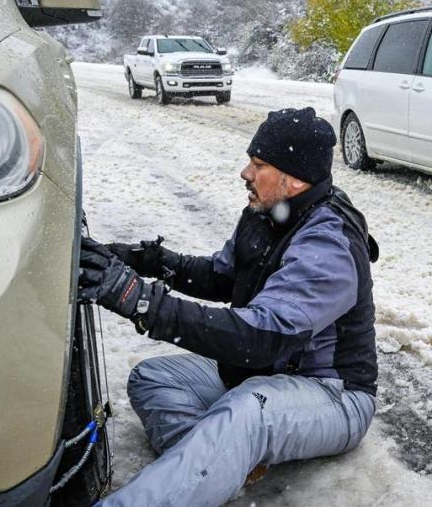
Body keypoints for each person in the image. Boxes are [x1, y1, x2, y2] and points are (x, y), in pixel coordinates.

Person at [79, 107, 379, 506]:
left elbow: (261, 339)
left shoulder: (329, 242)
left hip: (331, 393)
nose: (245, 174)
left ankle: (206, 464)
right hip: (264, 375)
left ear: (293, 179)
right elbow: (222, 277)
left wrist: (139, 301)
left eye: (258, 165)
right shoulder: (266, 213)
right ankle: (226, 466)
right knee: (152, 377)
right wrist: (146, 260)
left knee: (247, 409)